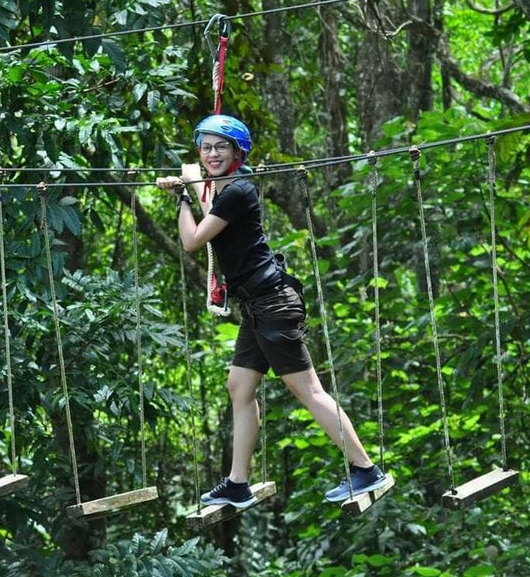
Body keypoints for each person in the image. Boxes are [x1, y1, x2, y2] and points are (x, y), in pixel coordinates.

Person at [156, 114, 389, 507]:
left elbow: (193, 241)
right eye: (206, 147)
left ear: (237, 152)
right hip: (257, 306)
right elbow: (205, 195)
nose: (212, 154)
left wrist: (182, 196)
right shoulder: (223, 189)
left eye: (221, 147)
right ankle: (236, 483)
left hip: (273, 303)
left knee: (308, 390)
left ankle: (366, 470)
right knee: (240, 387)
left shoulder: (238, 191)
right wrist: (190, 184)